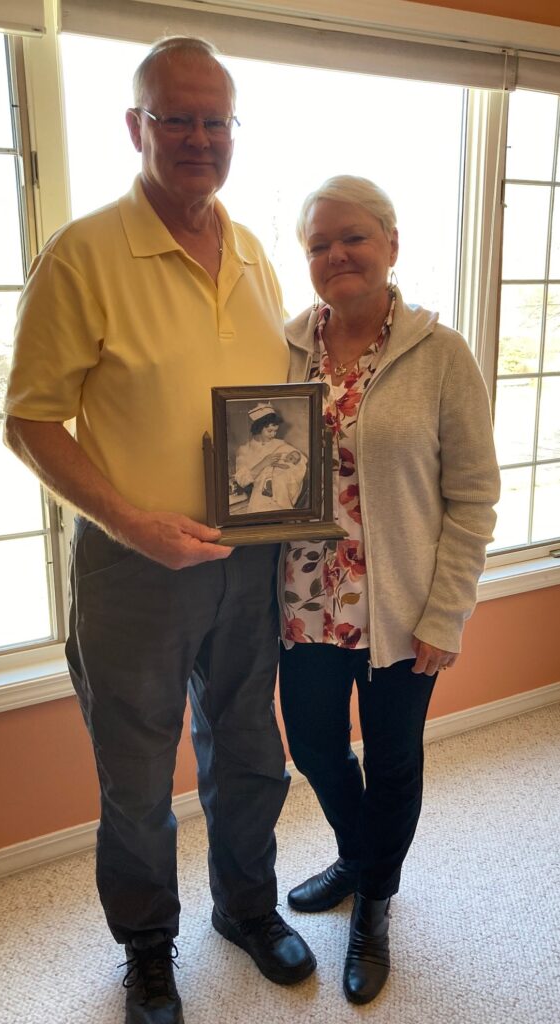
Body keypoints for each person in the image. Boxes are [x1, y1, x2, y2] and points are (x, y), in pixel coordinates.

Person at [3, 36, 315, 1024]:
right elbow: (29, 420)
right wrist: (135, 522)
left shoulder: (257, 251)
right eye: (172, 117)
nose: (195, 136)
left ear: (233, 133)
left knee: (249, 749)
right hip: (131, 569)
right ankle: (145, 949)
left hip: (246, 557)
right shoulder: (84, 252)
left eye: (213, 119)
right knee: (137, 775)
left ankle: (246, 907)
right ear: (134, 127)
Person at [280, 175, 500, 1005]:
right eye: (317, 244)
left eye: (352, 237)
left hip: (401, 611)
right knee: (312, 746)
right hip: (304, 603)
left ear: (390, 244)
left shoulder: (441, 354)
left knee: (394, 760)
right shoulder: (285, 346)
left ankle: (374, 901)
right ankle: (357, 855)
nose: (335, 254)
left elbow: (472, 496)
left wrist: (447, 612)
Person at [234, 402, 307, 513]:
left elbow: (299, 463)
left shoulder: (281, 445)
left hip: (282, 498)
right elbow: (241, 480)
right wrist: (263, 463)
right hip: (259, 501)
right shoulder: (245, 450)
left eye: (275, 431)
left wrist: (283, 474)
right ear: (258, 428)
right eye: (269, 431)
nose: (273, 435)